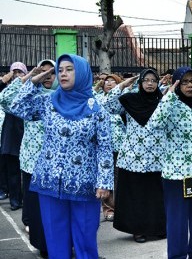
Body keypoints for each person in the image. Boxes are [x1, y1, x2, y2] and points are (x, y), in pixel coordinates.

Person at [10, 54, 114, 259]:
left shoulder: (96, 108)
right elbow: (16, 106)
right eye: (60, 69)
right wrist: (33, 82)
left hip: (84, 184)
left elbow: (104, 146)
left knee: (85, 240)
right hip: (50, 182)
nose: (63, 73)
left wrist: (104, 182)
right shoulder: (49, 102)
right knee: (55, 240)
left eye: (69, 69)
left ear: (82, 73)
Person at [147, 66, 192, 259]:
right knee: (177, 222)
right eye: (184, 82)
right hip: (176, 175)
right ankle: (177, 256)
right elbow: (153, 125)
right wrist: (169, 95)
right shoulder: (169, 104)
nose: (189, 86)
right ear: (176, 84)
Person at [0, 59, 58, 258]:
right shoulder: (30, 97)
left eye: (52, 72)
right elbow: (6, 99)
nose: (48, 76)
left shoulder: (61, 96)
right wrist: (30, 77)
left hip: (56, 162)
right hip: (32, 160)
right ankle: (41, 242)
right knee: (36, 207)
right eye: (44, 72)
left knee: (54, 208)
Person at [104, 69, 167, 243]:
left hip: (157, 158)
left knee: (155, 196)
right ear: (139, 83)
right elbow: (107, 106)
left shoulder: (163, 101)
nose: (149, 83)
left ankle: (158, 228)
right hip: (133, 157)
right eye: (146, 80)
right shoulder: (129, 100)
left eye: (153, 80)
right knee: (136, 196)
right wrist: (122, 85)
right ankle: (137, 230)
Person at [93, 74, 125, 222]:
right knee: (107, 179)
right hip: (105, 148)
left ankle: (121, 207)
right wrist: (98, 85)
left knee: (119, 179)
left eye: (113, 82)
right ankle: (108, 209)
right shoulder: (98, 100)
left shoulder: (121, 101)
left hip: (121, 147)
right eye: (107, 82)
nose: (109, 84)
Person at [0, 62, 27, 211]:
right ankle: (15, 200)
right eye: (14, 72)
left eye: (20, 72)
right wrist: (7, 80)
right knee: (13, 171)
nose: (17, 74)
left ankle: (27, 200)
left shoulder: (30, 88)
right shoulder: (7, 90)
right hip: (11, 134)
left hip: (26, 133)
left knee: (27, 173)